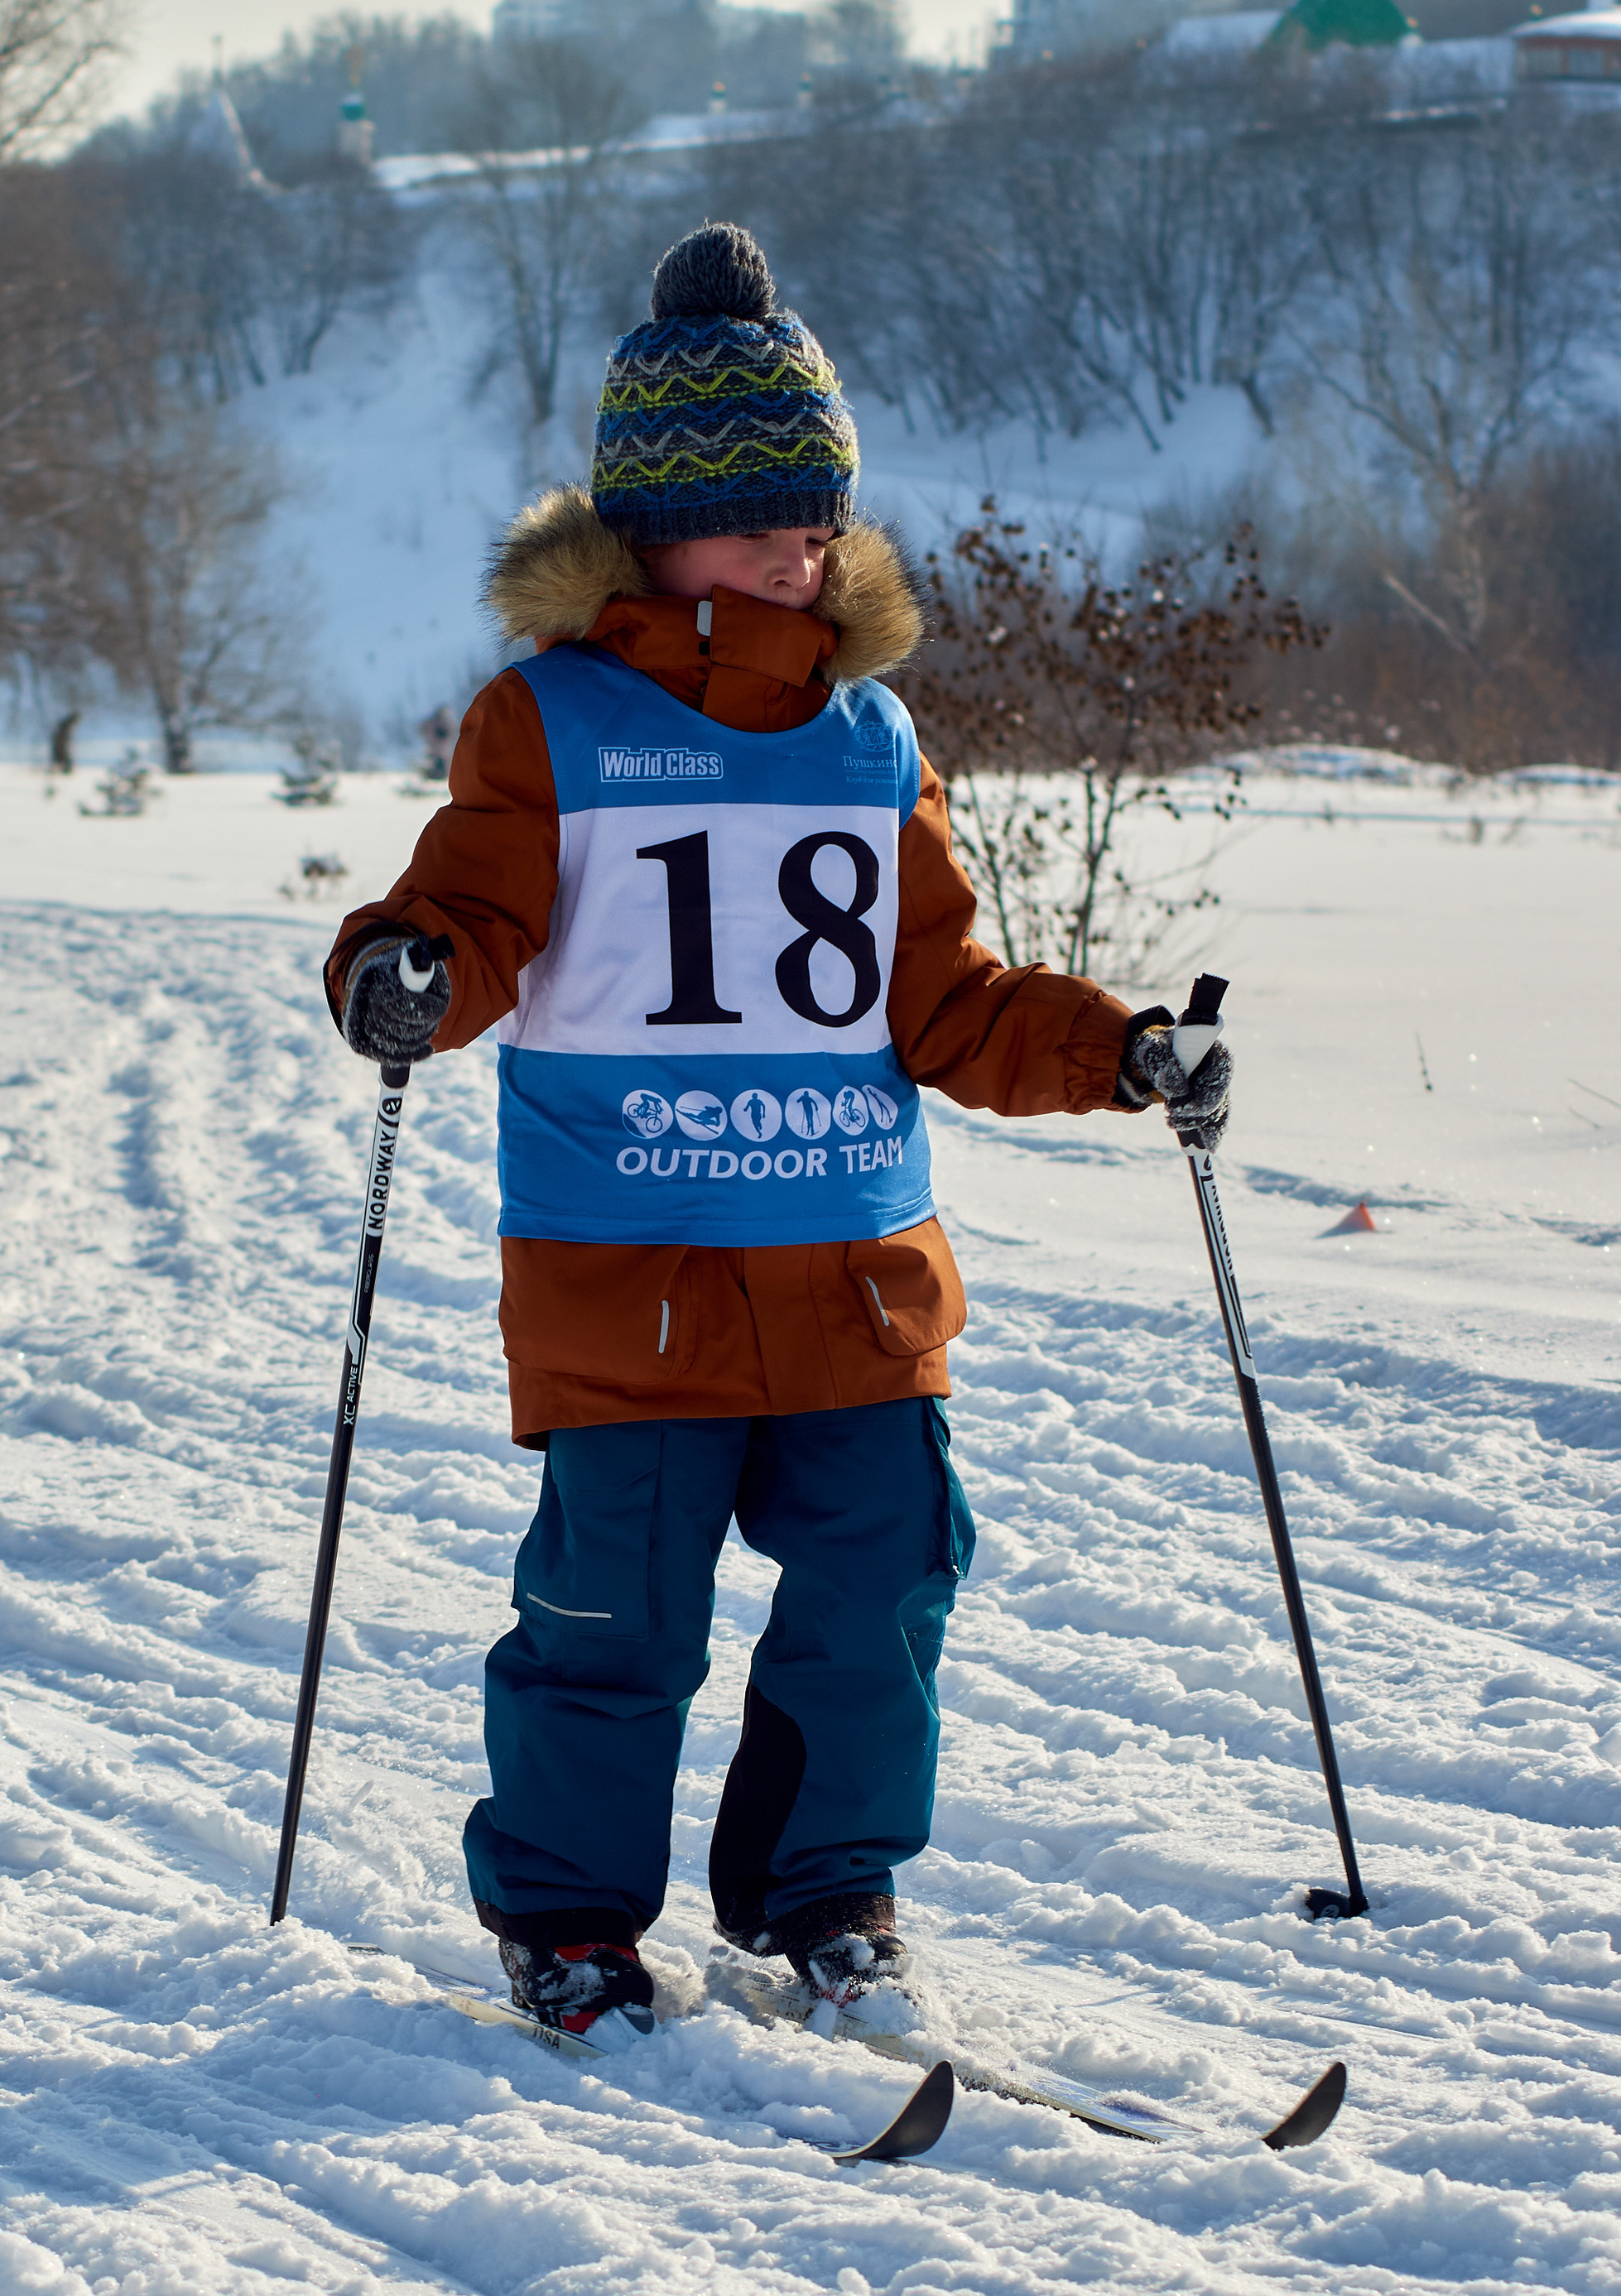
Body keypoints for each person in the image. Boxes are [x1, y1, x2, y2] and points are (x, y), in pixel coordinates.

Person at [323, 223, 1229, 2044]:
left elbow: (944, 996)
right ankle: (569, 1921)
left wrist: (1118, 1052)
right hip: (625, 1271)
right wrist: (399, 977)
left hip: (850, 1275)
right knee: (613, 1619)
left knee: (883, 1588)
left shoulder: (868, 741)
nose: (802, 553)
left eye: (818, 521)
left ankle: (827, 1897)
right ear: (654, 531)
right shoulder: (550, 722)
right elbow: (465, 923)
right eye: (762, 521)